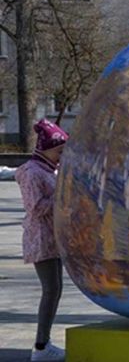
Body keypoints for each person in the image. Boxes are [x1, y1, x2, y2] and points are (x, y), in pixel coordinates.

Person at [15, 119, 69, 362]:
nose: (61, 156)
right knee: (51, 290)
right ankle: (41, 346)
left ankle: (43, 343)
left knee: (55, 289)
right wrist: (63, 195)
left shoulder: (48, 171)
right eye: (59, 151)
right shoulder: (32, 172)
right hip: (41, 238)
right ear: (46, 148)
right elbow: (36, 207)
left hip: (53, 237)